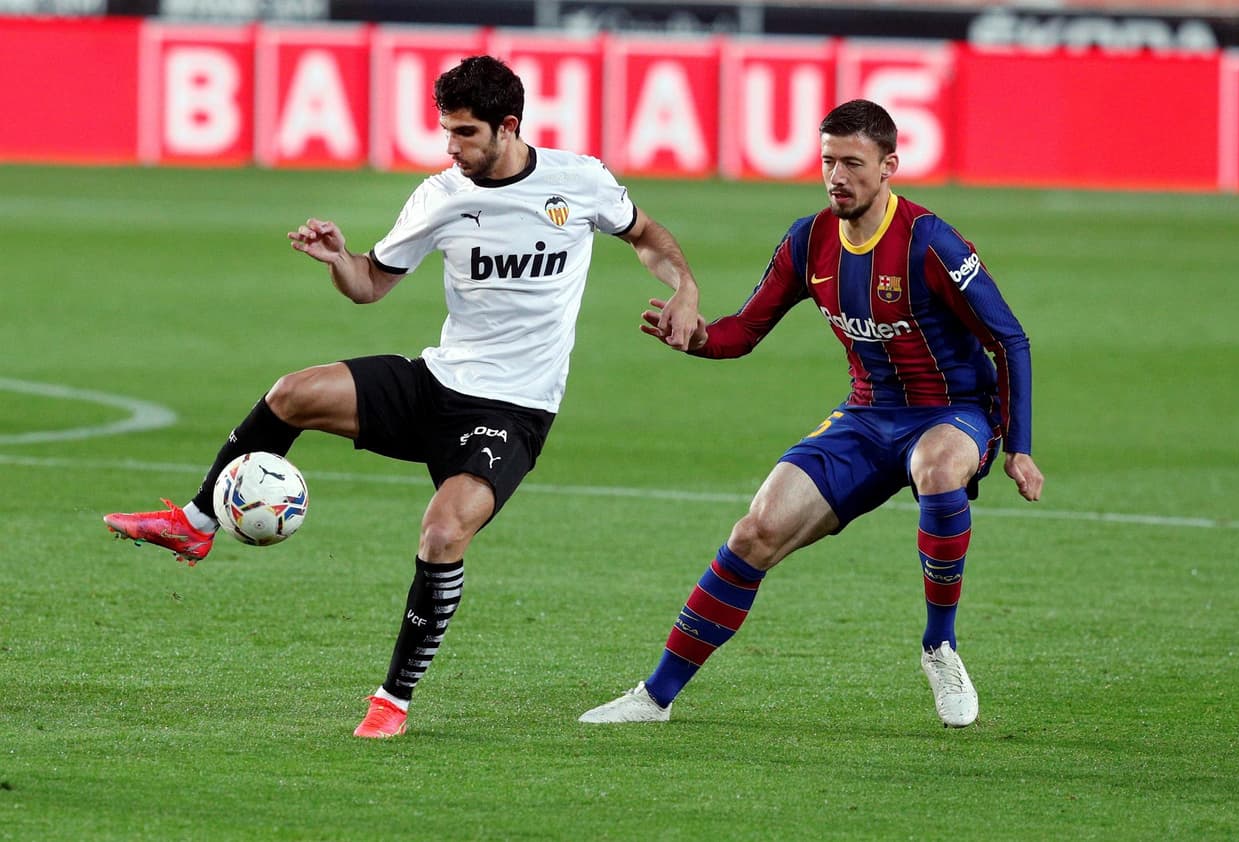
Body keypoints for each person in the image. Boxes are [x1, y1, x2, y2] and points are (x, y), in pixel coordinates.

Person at [104, 55, 700, 739]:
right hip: (437, 383)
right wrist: (339, 259)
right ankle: (198, 519)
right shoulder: (442, 194)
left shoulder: (580, 183)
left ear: (508, 128)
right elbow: (370, 286)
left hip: (513, 410)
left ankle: (392, 699)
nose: (451, 147)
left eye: (466, 134)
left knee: (443, 533)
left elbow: (647, 237)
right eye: (446, 131)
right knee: (292, 393)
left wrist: (684, 286)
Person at [579, 99, 1043, 729]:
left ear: (889, 168)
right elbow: (744, 329)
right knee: (755, 532)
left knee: (938, 467)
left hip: (954, 413)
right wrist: (697, 337)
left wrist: (1017, 446)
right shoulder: (809, 239)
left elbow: (1009, 339)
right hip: (866, 417)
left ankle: (940, 646)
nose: (837, 176)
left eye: (854, 163)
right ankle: (655, 696)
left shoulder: (930, 243)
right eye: (828, 161)